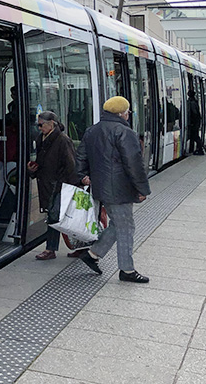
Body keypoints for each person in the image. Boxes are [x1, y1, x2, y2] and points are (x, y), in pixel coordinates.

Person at [76, 96, 151, 283]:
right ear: (121, 113)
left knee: (117, 224)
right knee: (126, 226)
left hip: (101, 187)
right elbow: (134, 164)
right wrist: (142, 189)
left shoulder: (92, 130)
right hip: (120, 189)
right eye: (127, 112)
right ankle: (127, 270)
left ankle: (92, 254)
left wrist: (82, 175)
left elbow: (81, 157)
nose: (128, 115)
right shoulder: (124, 132)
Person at [27, 111, 88, 260]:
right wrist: (32, 170)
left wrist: (77, 183)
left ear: (52, 124)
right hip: (48, 184)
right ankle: (79, 247)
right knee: (56, 216)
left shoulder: (62, 140)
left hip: (60, 185)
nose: (39, 128)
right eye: (38, 125)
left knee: (56, 217)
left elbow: (71, 165)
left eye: (41, 125)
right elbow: (42, 162)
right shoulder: (41, 139)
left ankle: (51, 249)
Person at [186, 89, 203, 155]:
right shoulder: (194, 101)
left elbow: (194, 113)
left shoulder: (191, 103)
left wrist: (192, 122)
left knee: (195, 136)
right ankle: (193, 149)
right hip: (196, 122)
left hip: (193, 123)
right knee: (194, 136)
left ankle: (200, 149)